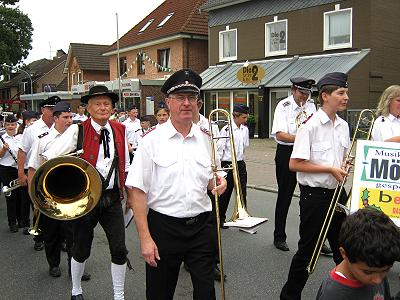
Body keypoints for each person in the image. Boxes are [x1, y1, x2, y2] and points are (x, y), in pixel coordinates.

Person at [125, 68, 227, 299]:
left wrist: (219, 183)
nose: (187, 103)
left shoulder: (207, 138)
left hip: (202, 226)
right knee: (160, 294)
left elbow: (214, 178)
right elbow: (137, 192)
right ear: (168, 103)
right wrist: (145, 238)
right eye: (180, 98)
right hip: (164, 229)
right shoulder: (151, 140)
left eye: (192, 98)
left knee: (206, 293)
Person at [41, 85, 129, 300]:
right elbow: (50, 156)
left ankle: (119, 295)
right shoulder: (76, 129)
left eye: (106, 103)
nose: (102, 107)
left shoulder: (120, 128)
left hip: (112, 198)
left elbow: (125, 164)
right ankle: (76, 291)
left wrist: (128, 195)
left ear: (112, 108)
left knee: (119, 250)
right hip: (85, 200)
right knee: (80, 249)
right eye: (97, 103)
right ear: (88, 108)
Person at [280, 72, 351, 300]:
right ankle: (289, 296)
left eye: (346, 92)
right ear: (325, 96)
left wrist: (344, 165)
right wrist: (329, 169)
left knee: (346, 249)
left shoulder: (343, 126)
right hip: (315, 196)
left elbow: (342, 157)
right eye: (341, 93)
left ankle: (352, 293)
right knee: (308, 251)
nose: (346, 97)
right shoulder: (309, 126)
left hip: (338, 193)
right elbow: (294, 164)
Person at [27, 101, 81, 278]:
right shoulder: (43, 140)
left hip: (72, 190)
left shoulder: (77, 138)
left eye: (71, 117)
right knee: (52, 232)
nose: (69, 120)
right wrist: (34, 196)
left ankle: (76, 267)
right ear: (55, 118)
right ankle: (54, 263)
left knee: (74, 233)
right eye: (65, 117)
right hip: (50, 192)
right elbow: (33, 168)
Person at [271, 77, 317, 252]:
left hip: (307, 152)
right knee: (285, 195)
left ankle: (313, 239)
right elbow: (281, 135)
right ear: (293, 90)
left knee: (310, 196)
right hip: (287, 152)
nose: (304, 97)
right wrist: (303, 137)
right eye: (301, 93)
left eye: (307, 93)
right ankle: (279, 237)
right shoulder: (283, 106)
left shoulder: (311, 106)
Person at [316, 208, 400, 300]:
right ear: (344, 253)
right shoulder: (333, 294)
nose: (378, 280)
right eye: (367, 272)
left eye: (386, 270)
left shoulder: (378, 267)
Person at [18, 96, 60, 251]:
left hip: (55, 175)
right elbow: (22, 151)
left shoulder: (61, 126)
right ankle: (39, 236)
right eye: (51, 109)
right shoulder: (32, 129)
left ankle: (58, 238)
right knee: (37, 206)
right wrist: (21, 173)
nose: (53, 112)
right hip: (35, 173)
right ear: (43, 110)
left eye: (56, 109)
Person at [217, 103, 249, 227]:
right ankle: (220, 218)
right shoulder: (226, 129)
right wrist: (219, 169)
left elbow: (244, 147)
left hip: (240, 163)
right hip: (227, 163)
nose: (246, 120)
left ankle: (243, 218)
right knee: (226, 192)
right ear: (236, 116)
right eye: (244, 117)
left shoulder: (244, 129)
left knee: (242, 191)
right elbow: (220, 149)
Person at [0, 115, 21, 232]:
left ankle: (21, 219)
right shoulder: (1, 138)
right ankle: (12, 222)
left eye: (12, 124)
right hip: (6, 169)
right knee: (10, 196)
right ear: (5, 125)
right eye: (8, 125)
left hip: (19, 168)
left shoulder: (20, 137)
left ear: (16, 125)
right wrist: (3, 149)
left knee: (20, 196)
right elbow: (0, 155)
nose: (10, 127)